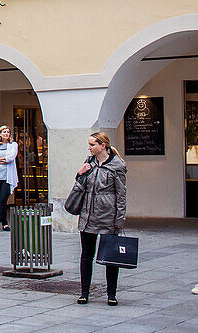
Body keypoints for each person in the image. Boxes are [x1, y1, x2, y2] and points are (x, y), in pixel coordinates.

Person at [74, 131, 127, 306]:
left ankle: (111, 294)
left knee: (111, 258)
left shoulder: (116, 166)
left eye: (92, 145)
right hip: (88, 215)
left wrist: (119, 219)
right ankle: (84, 293)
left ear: (102, 145)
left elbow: (121, 195)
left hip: (108, 216)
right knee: (86, 256)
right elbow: (79, 187)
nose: (89, 147)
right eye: (89, 144)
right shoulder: (89, 163)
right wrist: (80, 173)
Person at [0, 125, 19, 233]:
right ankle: (5, 223)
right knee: (2, 201)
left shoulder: (13, 145)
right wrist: (2, 160)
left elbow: (10, 158)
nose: (6, 134)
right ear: (0, 134)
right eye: (4, 132)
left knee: (2, 200)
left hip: (8, 177)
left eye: (8, 132)